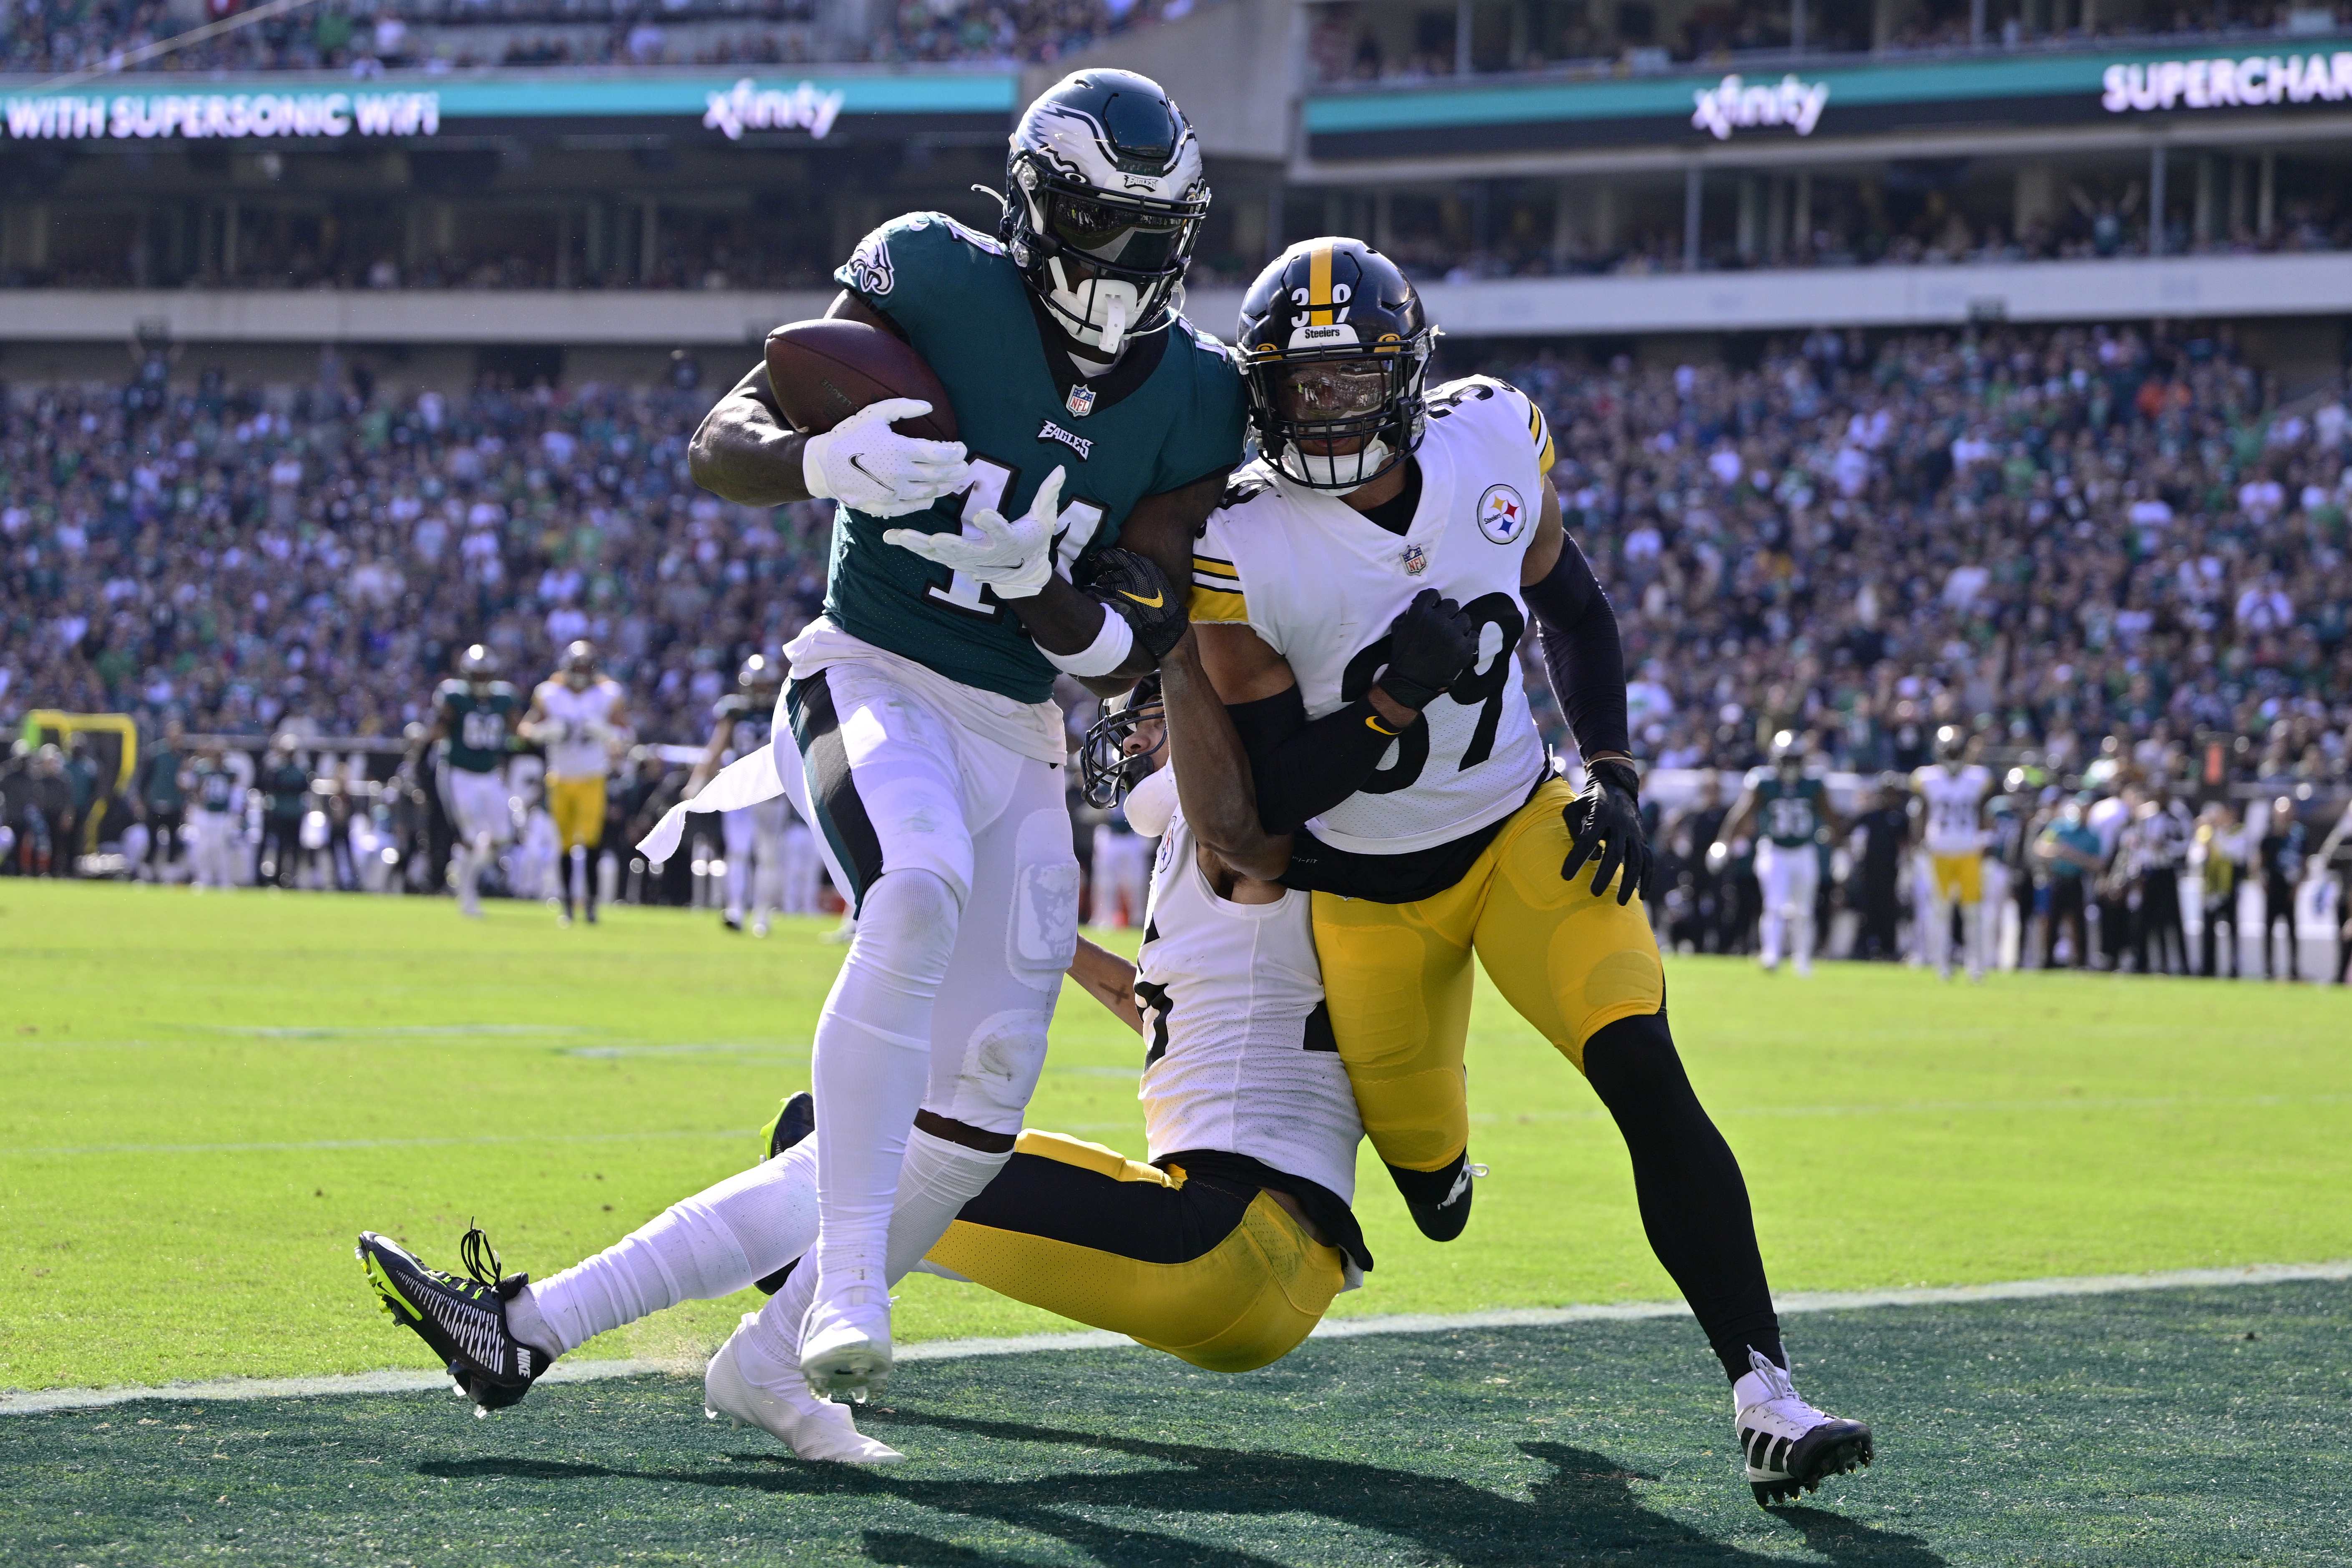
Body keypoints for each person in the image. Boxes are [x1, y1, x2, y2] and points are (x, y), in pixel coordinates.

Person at [1188, 237, 1871, 1507]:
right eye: (1301, 382)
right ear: (1260, 387)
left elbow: (1580, 609)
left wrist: (1608, 768)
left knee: (1645, 1072)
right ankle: (1440, 1164)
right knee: (1430, 1191)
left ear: (1405, 376)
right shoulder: (1243, 536)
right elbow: (1276, 788)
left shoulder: (1494, 435)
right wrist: (1392, 692)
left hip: (1519, 832)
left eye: (1351, 378)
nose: (1325, 404)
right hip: (1365, 888)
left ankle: (1765, 1389)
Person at [357, 634, 1370, 1469]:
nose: (1140, 729)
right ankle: (587, 1337)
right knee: (863, 1140)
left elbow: (1249, 856)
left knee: (863, 1140)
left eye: (1157, 710)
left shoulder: (1245, 833)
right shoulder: (1242, 849)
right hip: (1262, 1254)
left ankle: (578, 1335)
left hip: (1221, 1238)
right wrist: (1050, 942)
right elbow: (1185, 1007)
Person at [680, 68, 1245, 1402]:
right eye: (1098, 227)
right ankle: (854, 1277)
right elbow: (724, 437)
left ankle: (744, 1357)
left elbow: (1130, 643)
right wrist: (822, 463)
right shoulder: (933, 273)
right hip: (874, 670)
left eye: (1151, 238)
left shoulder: (1197, 394)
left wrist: (1039, 585)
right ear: (1038, 209)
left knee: (993, 1078)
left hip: (1017, 727)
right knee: (916, 888)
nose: (1122, 265)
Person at [1710, 730, 1840, 977]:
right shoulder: (1764, 782)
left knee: (1804, 909)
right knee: (1775, 904)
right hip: (1775, 850)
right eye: (1787, 760)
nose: (1791, 766)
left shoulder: (1814, 783)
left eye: (1795, 760)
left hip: (1803, 851)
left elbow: (1830, 816)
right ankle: (1771, 955)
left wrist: (1841, 849)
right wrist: (1723, 843)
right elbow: (1742, 812)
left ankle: (1803, 960)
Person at [522, 639, 630, 926]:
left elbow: (626, 733)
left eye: (585, 667)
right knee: (565, 844)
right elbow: (525, 729)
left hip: (593, 776)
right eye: (577, 667)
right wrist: (546, 732)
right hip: (560, 776)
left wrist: (606, 733)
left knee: (592, 842)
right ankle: (568, 906)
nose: (581, 673)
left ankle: (592, 904)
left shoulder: (607, 693)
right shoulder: (550, 693)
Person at [689, 654, 795, 936]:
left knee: (768, 857)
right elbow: (716, 746)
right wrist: (698, 781)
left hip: (771, 792)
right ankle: (735, 909)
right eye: (756, 686)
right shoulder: (734, 711)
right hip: (740, 790)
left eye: (764, 686)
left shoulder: (783, 709)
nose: (760, 691)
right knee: (737, 852)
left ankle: (762, 915)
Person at [428, 644, 521, 919]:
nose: (481, 680)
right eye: (477, 675)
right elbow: (438, 729)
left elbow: (519, 730)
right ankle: (467, 896)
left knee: (503, 836)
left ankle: (462, 870)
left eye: (485, 675)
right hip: (459, 773)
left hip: (490, 774)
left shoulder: (504, 697)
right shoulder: (454, 695)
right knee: (469, 836)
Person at [1912, 726, 1991, 982]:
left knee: (1973, 911)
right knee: (1941, 910)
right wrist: (1919, 843)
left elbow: (1984, 811)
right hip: (1940, 850)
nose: (1955, 757)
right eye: (1951, 752)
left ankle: (1975, 965)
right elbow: (1919, 811)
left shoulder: (1978, 777)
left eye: (1958, 751)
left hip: (1969, 849)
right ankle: (1942, 965)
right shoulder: (1928, 778)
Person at [2033, 795, 2104, 969]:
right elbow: (2040, 847)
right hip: (2058, 879)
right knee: (2053, 920)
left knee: (2079, 922)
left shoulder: (2092, 835)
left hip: (2077, 880)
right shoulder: (2059, 827)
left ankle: (2081, 960)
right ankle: (2048, 960)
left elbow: (2098, 864)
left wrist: (2074, 856)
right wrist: (2058, 851)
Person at [1848, 776, 1910, 962]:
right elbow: (1849, 830)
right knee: (1866, 910)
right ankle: (1862, 948)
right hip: (1868, 870)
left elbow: (1906, 844)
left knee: (1888, 911)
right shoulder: (1870, 815)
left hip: (1890, 872)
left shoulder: (1899, 818)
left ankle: (1888, 948)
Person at [2255, 798, 2307, 981]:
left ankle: (2294, 969)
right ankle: (2268, 969)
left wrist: (2298, 887)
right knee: (2269, 930)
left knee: (2292, 930)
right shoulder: (2268, 837)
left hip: (2289, 889)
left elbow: (2304, 864)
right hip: (2273, 888)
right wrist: (2261, 882)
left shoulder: (2298, 836)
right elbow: (2258, 862)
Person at [254, 735, 312, 889]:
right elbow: (270, 786)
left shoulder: (300, 770)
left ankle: (291, 876)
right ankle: (275, 876)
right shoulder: (276, 769)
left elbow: (302, 787)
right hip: (279, 812)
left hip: (293, 812)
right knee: (277, 847)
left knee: (293, 848)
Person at [136, 720, 189, 883]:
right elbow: (145, 778)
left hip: (174, 804)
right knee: (152, 840)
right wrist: (140, 800)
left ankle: (170, 874)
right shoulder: (156, 753)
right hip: (155, 803)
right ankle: (147, 873)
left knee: (174, 841)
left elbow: (186, 783)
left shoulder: (183, 757)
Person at [2196, 800, 2244, 979]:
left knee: (2232, 930)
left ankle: (2235, 968)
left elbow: (2233, 854)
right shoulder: (2206, 834)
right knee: (2208, 930)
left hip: (2229, 888)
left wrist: (2212, 841)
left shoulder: (2238, 832)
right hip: (2210, 889)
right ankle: (2208, 967)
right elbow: (2196, 857)